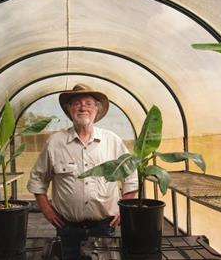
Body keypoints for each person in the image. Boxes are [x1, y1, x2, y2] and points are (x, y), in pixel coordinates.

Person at [27, 83, 138, 260]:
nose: (82, 107)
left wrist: (125, 209)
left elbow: (131, 176)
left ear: (96, 109)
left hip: (104, 226)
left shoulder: (112, 141)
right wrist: (47, 210)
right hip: (68, 228)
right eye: (77, 103)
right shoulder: (55, 142)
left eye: (88, 103)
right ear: (70, 109)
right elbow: (37, 180)